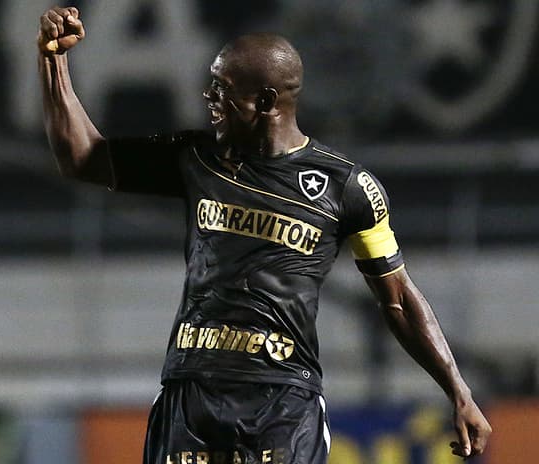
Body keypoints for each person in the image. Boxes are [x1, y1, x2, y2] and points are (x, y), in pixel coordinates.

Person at [38, 6, 492, 463]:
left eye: (222, 89)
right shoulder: (194, 158)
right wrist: (54, 62)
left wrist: (458, 390)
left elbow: (396, 298)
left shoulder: (348, 188)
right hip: (191, 394)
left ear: (267, 102)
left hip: (283, 402)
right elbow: (82, 158)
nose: (208, 96)